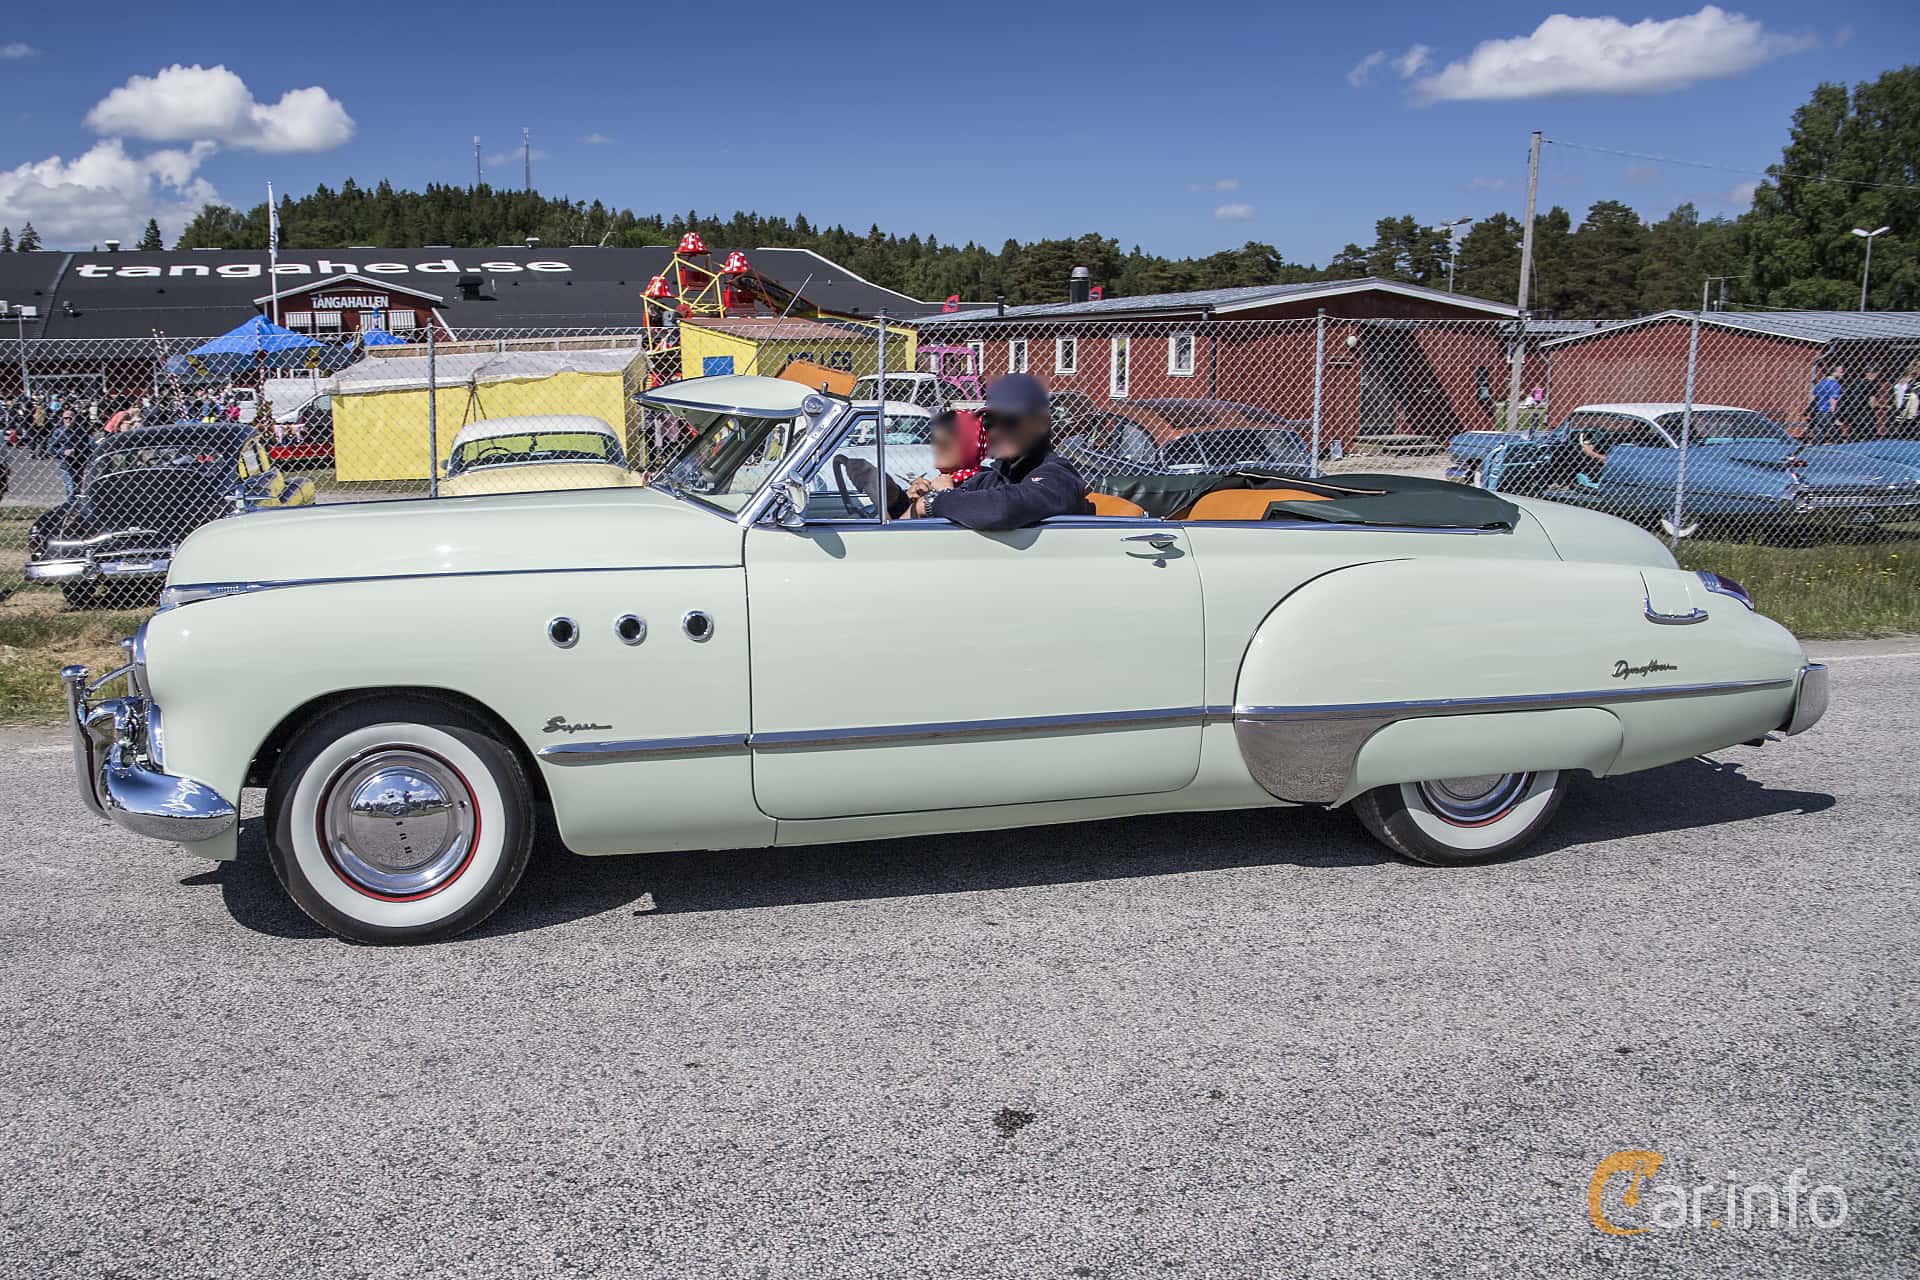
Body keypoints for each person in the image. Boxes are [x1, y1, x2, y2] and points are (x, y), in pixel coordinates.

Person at [906, 373, 1092, 529]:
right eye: (990, 422)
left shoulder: (1057, 477)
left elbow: (1004, 509)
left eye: (1010, 421)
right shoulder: (991, 478)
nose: (998, 431)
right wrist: (910, 499)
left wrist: (939, 500)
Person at [1809, 364, 1843, 444]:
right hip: (1827, 412)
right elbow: (1833, 400)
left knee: (1819, 433)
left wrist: (1811, 410)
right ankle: (1840, 443)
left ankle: (1815, 445)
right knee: (1834, 432)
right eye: (1841, 372)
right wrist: (1834, 414)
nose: (1843, 374)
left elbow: (1813, 398)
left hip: (1817, 411)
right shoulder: (1835, 385)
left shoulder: (1820, 383)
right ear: (1834, 373)